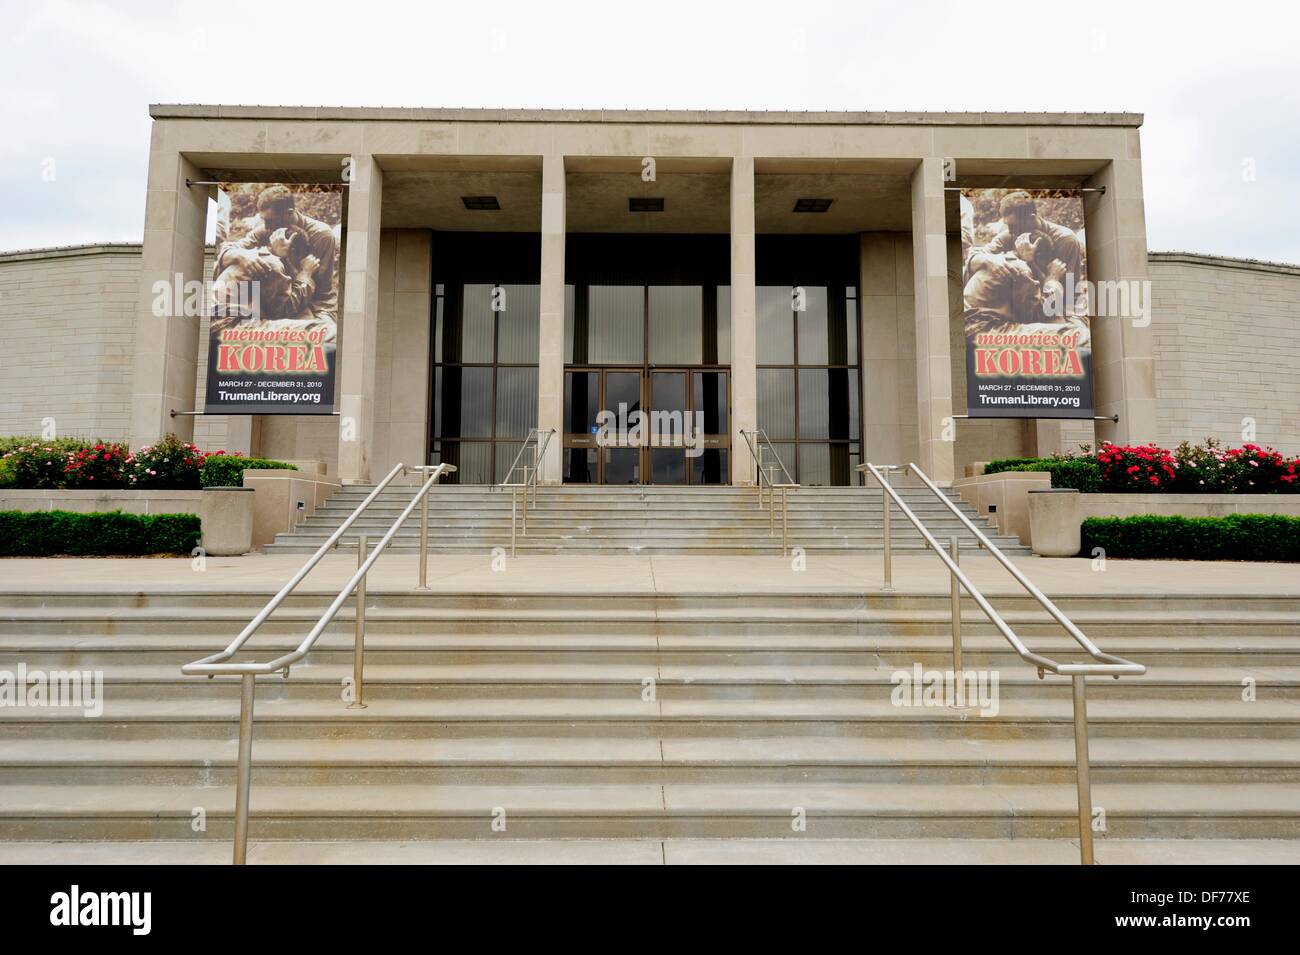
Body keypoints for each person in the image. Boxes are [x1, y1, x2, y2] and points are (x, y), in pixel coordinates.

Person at [213, 185, 338, 338]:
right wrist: (242, 256)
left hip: (314, 302)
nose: (265, 226)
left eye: (270, 221)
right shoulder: (267, 227)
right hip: (279, 297)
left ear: (289, 214)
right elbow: (226, 251)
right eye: (263, 220)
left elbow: (317, 287)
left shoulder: (321, 235)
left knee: (323, 334)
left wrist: (284, 261)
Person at [965, 191, 1087, 317]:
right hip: (1023, 304)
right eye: (1007, 225)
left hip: (1054, 306)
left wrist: (1031, 264)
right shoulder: (1009, 234)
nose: (1010, 231)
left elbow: (1066, 294)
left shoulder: (1065, 240)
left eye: (1014, 225)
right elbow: (973, 256)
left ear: (1032, 217)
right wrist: (992, 261)